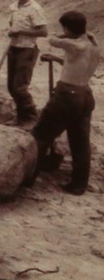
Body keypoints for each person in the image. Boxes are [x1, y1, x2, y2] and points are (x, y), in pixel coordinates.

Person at [30, 12, 99, 195]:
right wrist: (57, 59)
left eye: (64, 28)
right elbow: (76, 64)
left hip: (67, 96)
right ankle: (79, 185)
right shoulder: (93, 44)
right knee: (80, 142)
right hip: (85, 95)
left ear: (68, 28)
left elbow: (51, 39)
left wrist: (63, 35)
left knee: (41, 134)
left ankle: (28, 177)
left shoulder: (72, 44)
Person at [7, 0, 48, 124]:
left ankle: (30, 118)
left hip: (28, 50)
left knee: (20, 88)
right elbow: (13, 25)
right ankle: (20, 117)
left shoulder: (35, 9)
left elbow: (43, 32)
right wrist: (12, 32)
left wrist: (21, 32)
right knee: (11, 87)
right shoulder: (13, 7)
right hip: (13, 48)